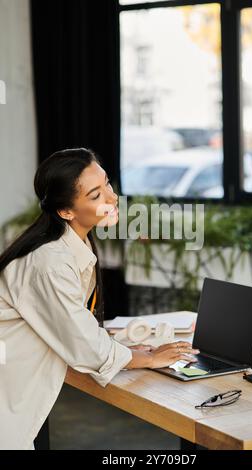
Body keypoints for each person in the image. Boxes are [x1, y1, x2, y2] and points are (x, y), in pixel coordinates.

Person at [0, 148, 199, 450]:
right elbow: (85, 345)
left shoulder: (67, 246)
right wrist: (148, 358)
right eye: (95, 195)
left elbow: (74, 328)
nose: (112, 197)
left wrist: (127, 350)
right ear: (66, 211)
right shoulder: (49, 262)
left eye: (107, 183)